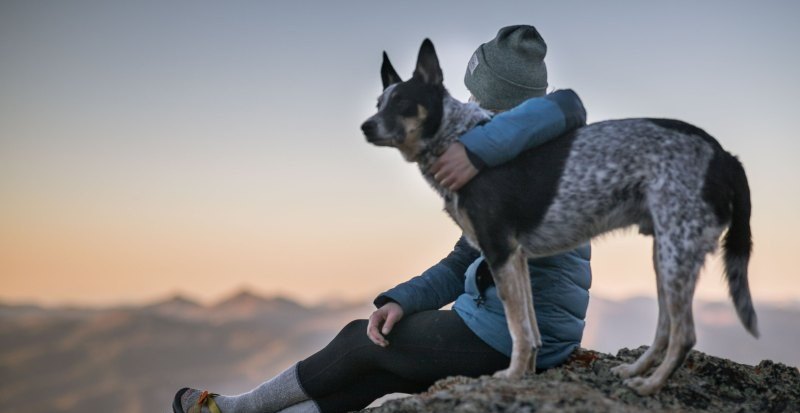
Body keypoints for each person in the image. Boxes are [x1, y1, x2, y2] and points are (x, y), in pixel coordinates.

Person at [173, 25, 591, 413]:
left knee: (363, 340)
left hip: (516, 337)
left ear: (499, 105)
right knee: (376, 370)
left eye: (475, 97)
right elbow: (463, 259)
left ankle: (234, 409)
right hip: (507, 325)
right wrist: (401, 300)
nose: (465, 105)